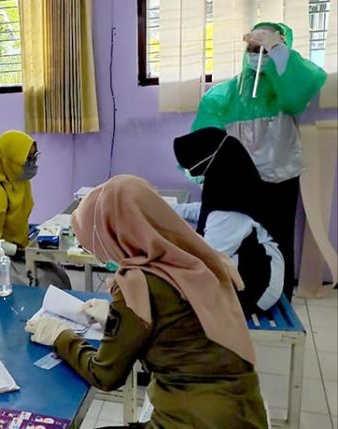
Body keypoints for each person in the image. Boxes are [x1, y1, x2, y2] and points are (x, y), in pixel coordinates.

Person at [26, 176, 268, 429]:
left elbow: (105, 374)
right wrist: (116, 317)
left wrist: (60, 336)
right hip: (246, 414)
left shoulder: (137, 283)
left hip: (192, 421)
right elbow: (180, 324)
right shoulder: (198, 256)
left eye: (96, 246)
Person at [192, 22, 326, 299]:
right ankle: (226, 300)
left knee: (277, 242)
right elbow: (203, 142)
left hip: (278, 180)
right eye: (253, 48)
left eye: (265, 49)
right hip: (233, 185)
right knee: (224, 243)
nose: (258, 54)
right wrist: (204, 176)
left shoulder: (287, 91)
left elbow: (302, 88)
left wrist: (276, 47)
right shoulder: (223, 95)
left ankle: (278, 300)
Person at [172, 127, 284, 314]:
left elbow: (207, 258)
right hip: (247, 262)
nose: (188, 172)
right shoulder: (231, 184)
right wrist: (168, 209)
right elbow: (207, 212)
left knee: (178, 297)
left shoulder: (230, 210)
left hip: (258, 283)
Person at [0, 130, 71, 289]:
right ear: (8, 161)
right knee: (50, 281)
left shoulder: (19, 182)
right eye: (27, 159)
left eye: (34, 157)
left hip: (14, 249)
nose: (32, 164)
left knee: (59, 274)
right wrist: (20, 251)